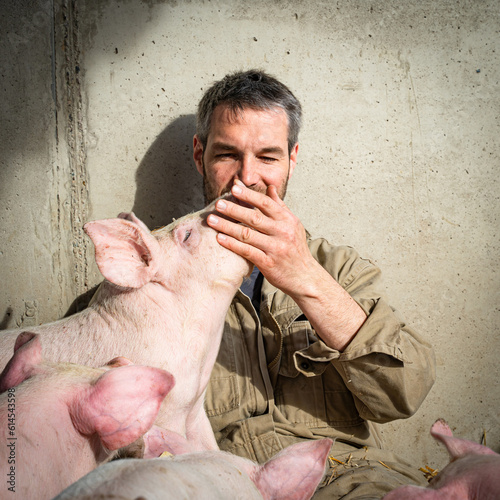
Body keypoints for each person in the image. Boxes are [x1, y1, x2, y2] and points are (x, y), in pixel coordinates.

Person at [192, 69, 436, 499]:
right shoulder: (151, 270)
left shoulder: (339, 269)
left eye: (267, 157)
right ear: (199, 156)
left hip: (343, 477)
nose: (246, 177)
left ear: (292, 158)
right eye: (227, 154)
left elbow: (404, 395)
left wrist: (304, 275)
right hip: (214, 479)